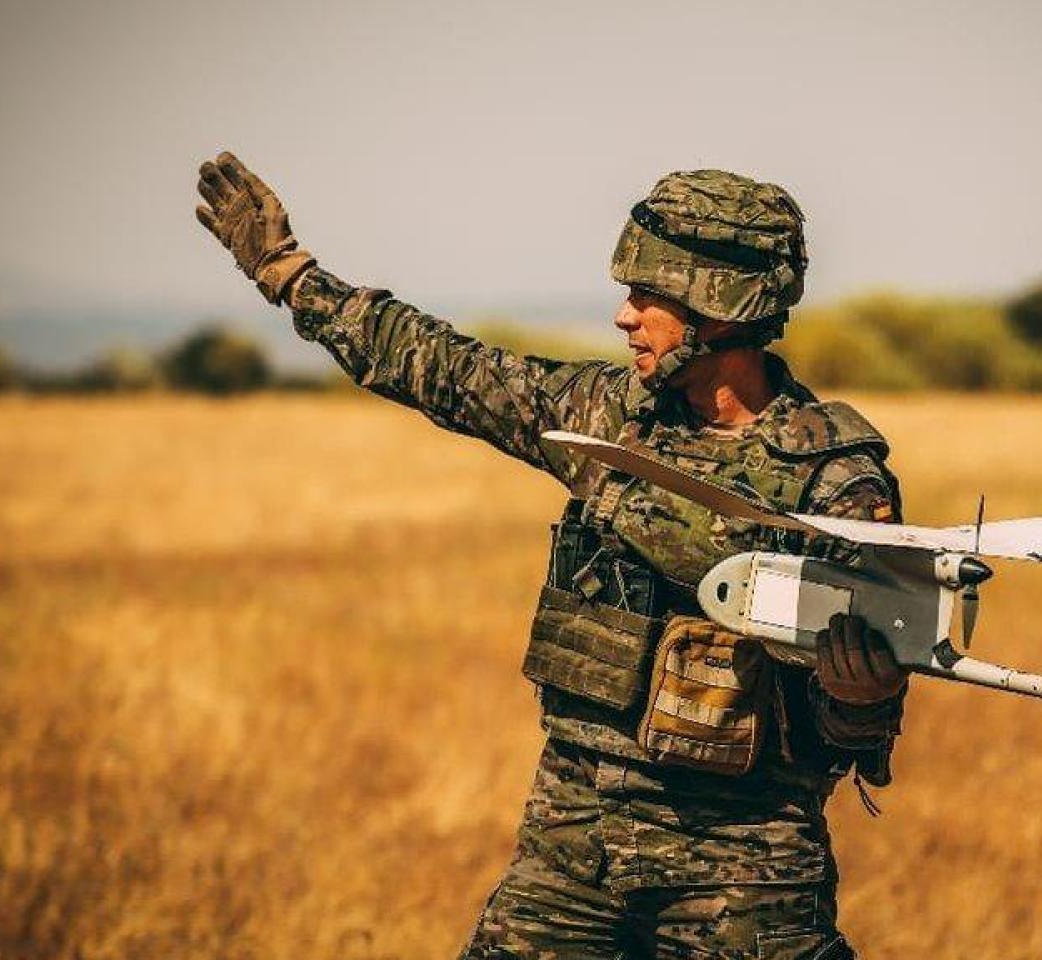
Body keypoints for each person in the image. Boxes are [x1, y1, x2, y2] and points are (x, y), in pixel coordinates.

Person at [196, 152, 909, 959]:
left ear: (717, 309)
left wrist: (861, 695)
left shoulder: (834, 479)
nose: (624, 316)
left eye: (648, 296)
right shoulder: (606, 419)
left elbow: (858, 731)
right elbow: (441, 366)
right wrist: (291, 274)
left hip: (743, 872)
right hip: (571, 848)